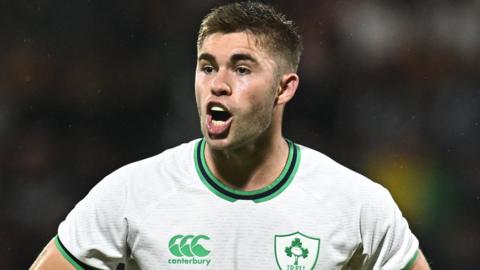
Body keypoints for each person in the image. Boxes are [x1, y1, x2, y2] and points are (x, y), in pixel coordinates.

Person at [31, 2, 430, 269]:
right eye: (207, 67)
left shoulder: (356, 204)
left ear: (284, 88)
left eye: (241, 69)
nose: (217, 84)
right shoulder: (133, 193)